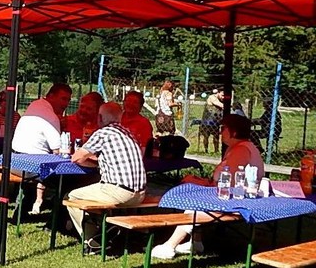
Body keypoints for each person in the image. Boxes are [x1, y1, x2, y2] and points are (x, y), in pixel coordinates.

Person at [151, 114, 264, 259]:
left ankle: (169, 246)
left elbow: (229, 182)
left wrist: (204, 184)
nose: (220, 132)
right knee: (190, 189)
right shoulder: (240, 147)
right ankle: (196, 242)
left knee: (194, 204)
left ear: (234, 132)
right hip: (232, 195)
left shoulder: (241, 150)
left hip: (237, 199)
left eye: (223, 128)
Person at [68, 102, 147, 253]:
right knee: (96, 195)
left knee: (72, 197)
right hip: (140, 194)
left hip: (119, 192)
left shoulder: (103, 133)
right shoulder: (127, 133)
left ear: (99, 117)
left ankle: (91, 240)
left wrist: (85, 155)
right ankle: (106, 228)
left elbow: (76, 158)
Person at [11, 84, 73, 214]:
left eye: (68, 100)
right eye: (63, 99)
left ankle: (21, 212)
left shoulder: (35, 105)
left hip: (15, 160)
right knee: (68, 180)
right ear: (51, 96)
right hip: (31, 166)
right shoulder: (50, 117)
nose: (66, 104)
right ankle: (57, 219)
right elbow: (58, 150)